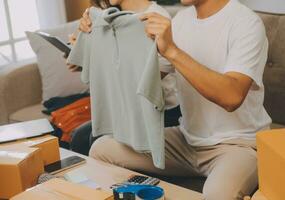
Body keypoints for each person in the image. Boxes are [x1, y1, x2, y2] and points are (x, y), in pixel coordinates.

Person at [81, 0, 272, 199]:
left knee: (218, 195)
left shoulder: (246, 22)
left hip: (238, 145)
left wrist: (172, 50)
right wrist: (95, 39)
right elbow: (140, 84)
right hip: (186, 141)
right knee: (102, 149)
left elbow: (231, 97)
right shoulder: (181, 20)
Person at [67, 0, 180, 156]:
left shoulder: (156, 19)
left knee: (87, 139)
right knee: (80, 137)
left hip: (159, 113)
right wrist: (82, 48)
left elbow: (142, 78)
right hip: (123, 109)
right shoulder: (108, 18)